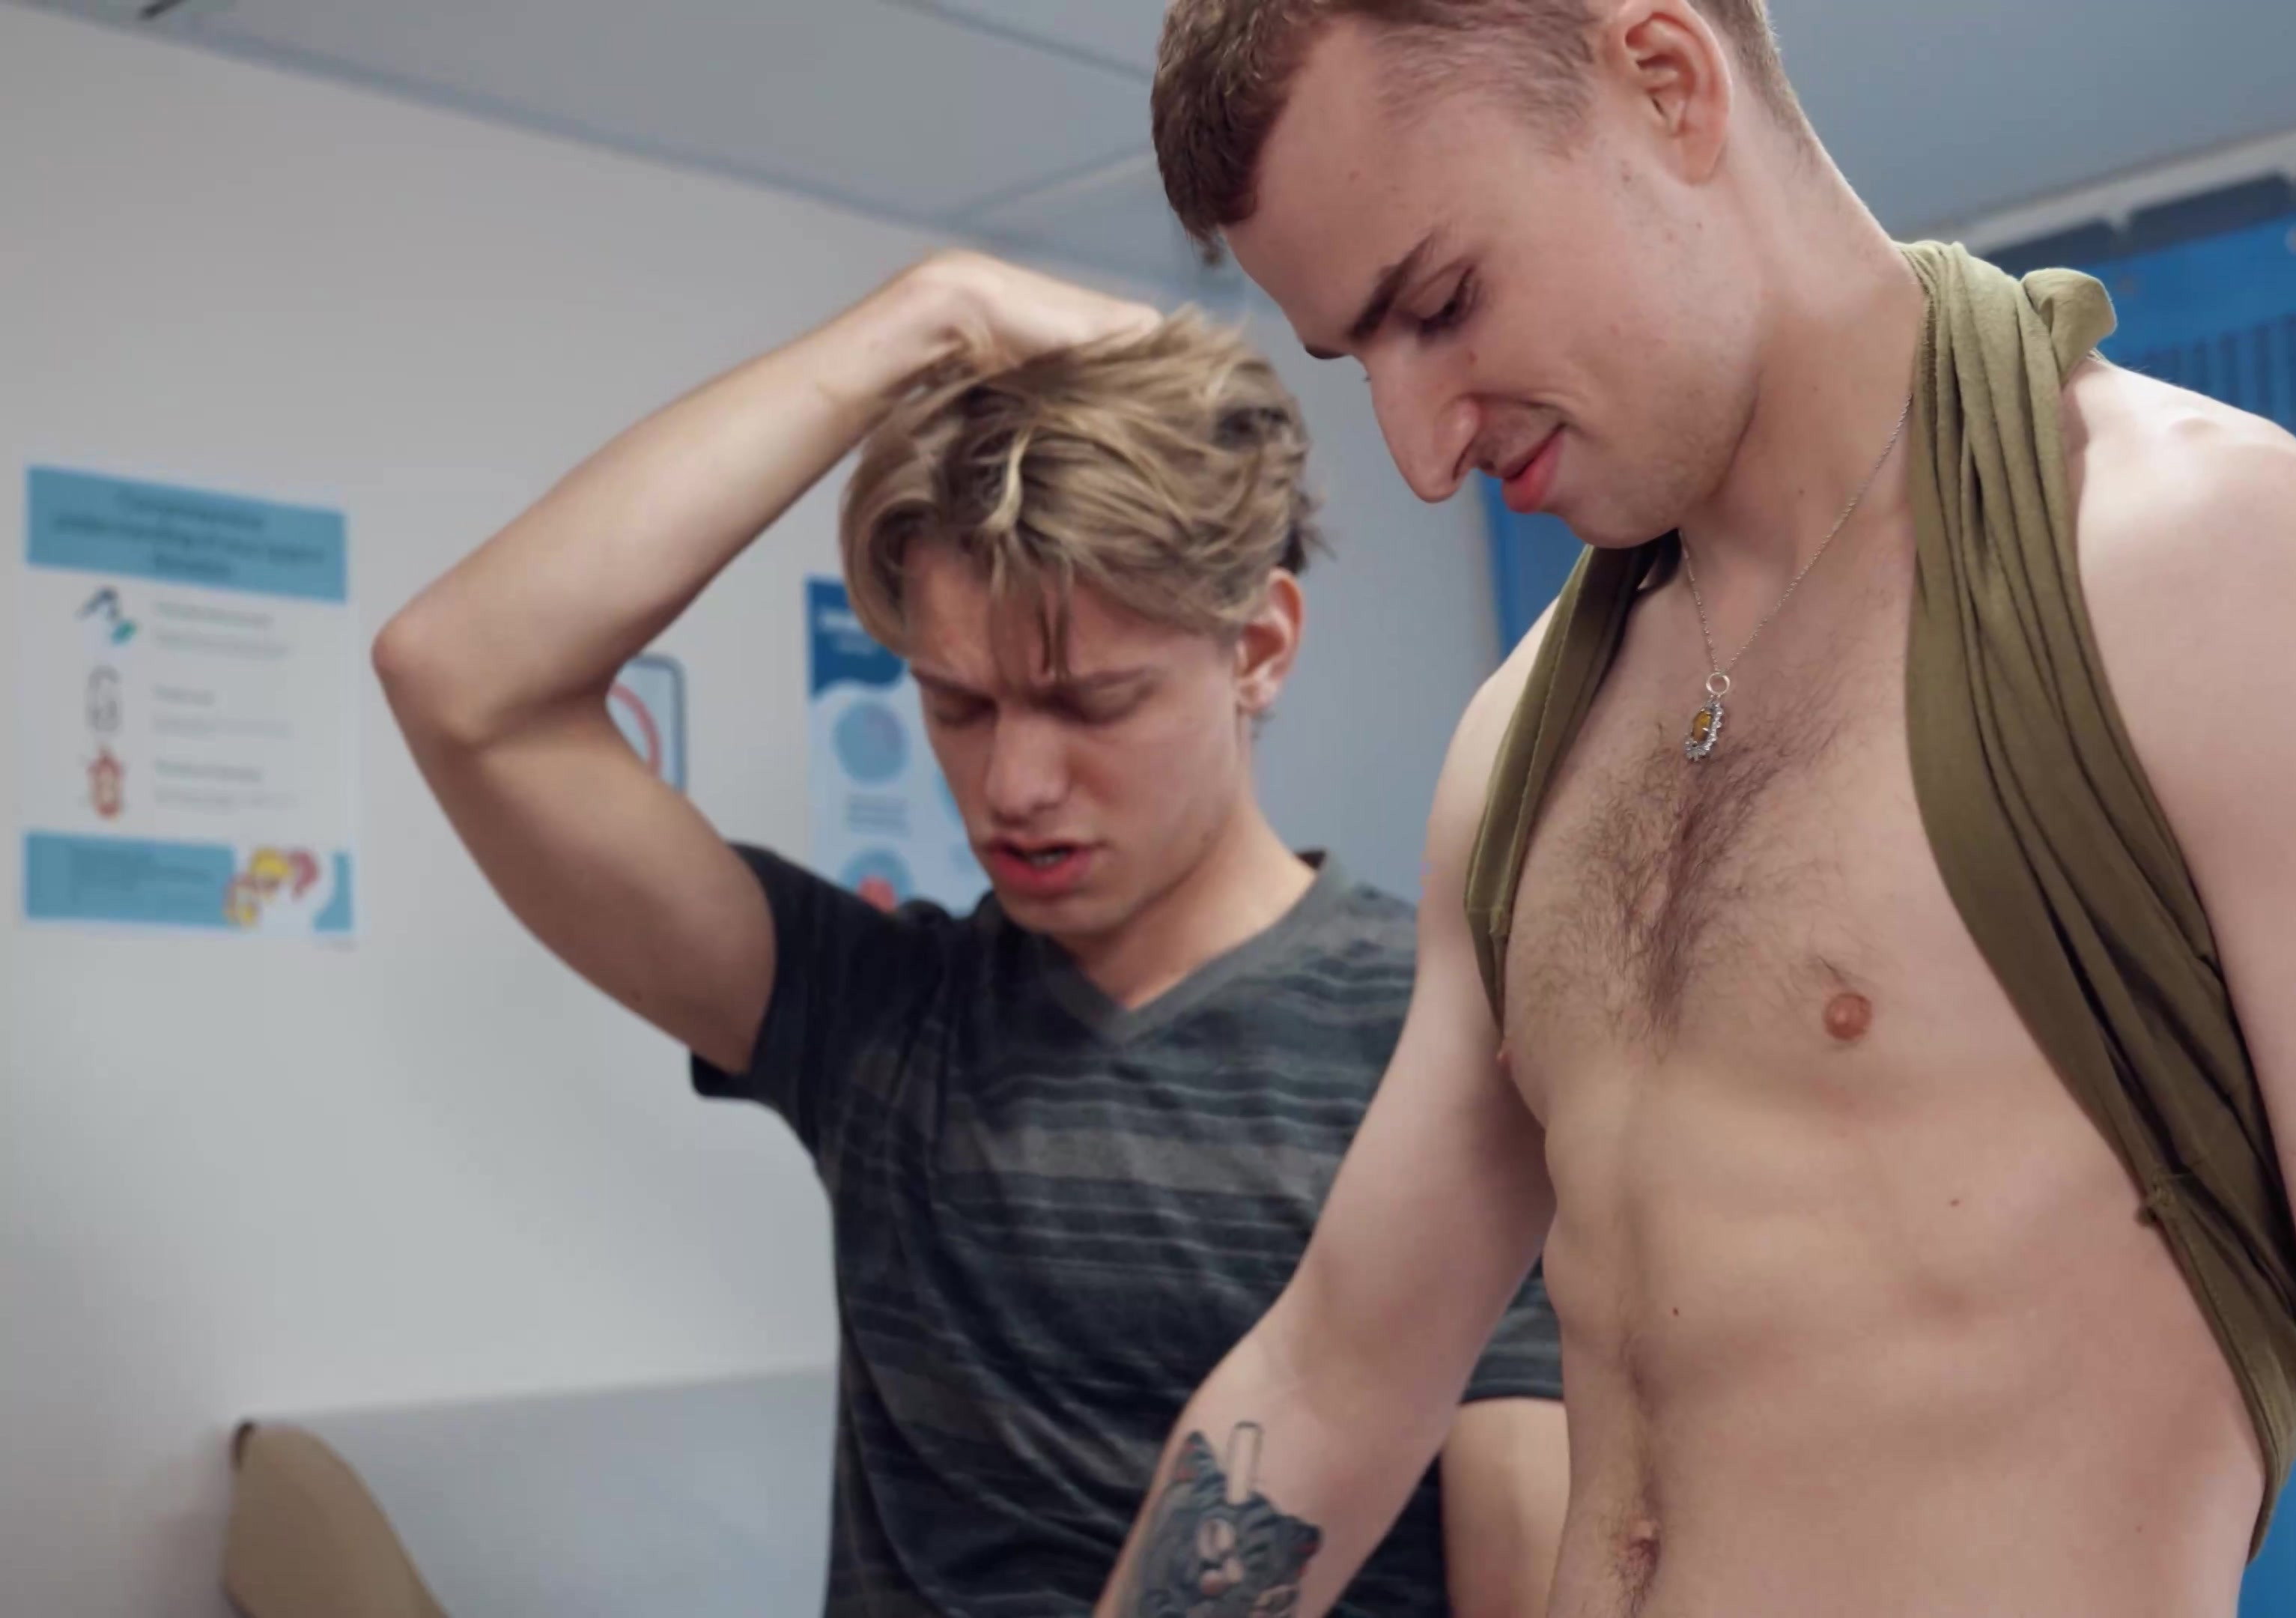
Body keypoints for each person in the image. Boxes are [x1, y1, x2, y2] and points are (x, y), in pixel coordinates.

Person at [1090, 3, 2296, 1615]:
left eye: (1444, 304)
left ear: (1664, 82)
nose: (1420, 453)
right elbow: (1331, 1385)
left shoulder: (2198, 572)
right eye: (1359, 359)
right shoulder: (1519, 746)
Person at [373, 249, 1569, 1617]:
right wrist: (923, 314)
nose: (1015, 785)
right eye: (958, 704)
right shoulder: (878, 1013)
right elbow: (460, 678)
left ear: (1258, 650)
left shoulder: (1447, 1038)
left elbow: (1524, 1568)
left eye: (1091, 703)